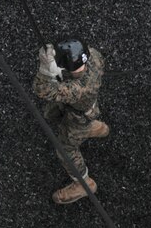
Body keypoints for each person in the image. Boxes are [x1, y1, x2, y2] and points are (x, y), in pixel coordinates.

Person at [32, 38, 107, 204]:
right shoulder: (94, 56)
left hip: (77, 117)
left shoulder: (75, 90)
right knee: (75, 119)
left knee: (66, 149)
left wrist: (46, 70)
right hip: (88, 107)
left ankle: (83, 183)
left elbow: (41, 89)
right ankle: (93, 128)